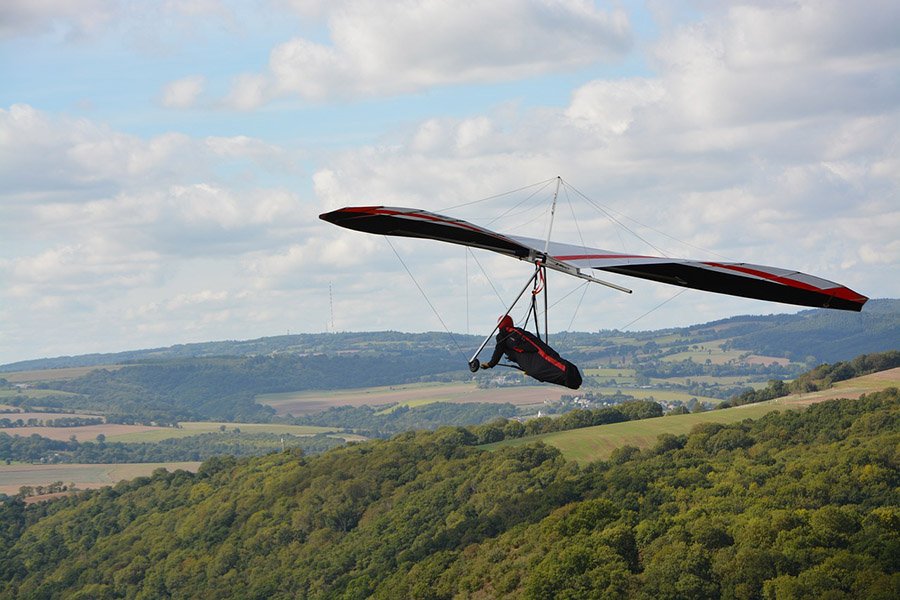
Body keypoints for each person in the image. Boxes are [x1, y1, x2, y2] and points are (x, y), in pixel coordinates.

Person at [481, 315, 582, 389]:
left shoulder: (507, 337)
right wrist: (490, 364)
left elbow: (499, 350)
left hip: (534, 371)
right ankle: (570, 377)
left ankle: (570, 378)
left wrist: (490, 364)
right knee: (569, 375)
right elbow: (500, 349)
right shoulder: (513, 334)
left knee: (570, 380)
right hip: (539, 365)